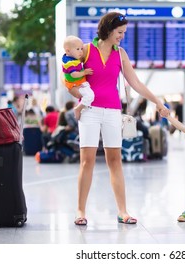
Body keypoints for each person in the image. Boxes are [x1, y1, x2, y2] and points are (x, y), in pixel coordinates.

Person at [71, 12, 169, 226]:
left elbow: (136, 83)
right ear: (108, 29)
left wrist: (157, 102)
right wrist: (78, 95)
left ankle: (123, 211)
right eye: (120, 32)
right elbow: (68, 75)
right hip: (90, 111)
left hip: (113, 111)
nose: (122, 36)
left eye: (124, 32)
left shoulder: (120, 53)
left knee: (115, 160)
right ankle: (80, 211)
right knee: (86, 161)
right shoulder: (86, 50)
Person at [62, 35, 95, 120]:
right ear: (68, 51)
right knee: (90, 95)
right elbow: (73, 74)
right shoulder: (69, 62)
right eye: (77, 49)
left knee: (89, 95)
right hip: (76, 84)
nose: (81, 51)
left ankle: (85, 106)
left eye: (81, 48)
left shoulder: (73, 58)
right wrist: (84, 72)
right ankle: (78, 108)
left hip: (80, 83)